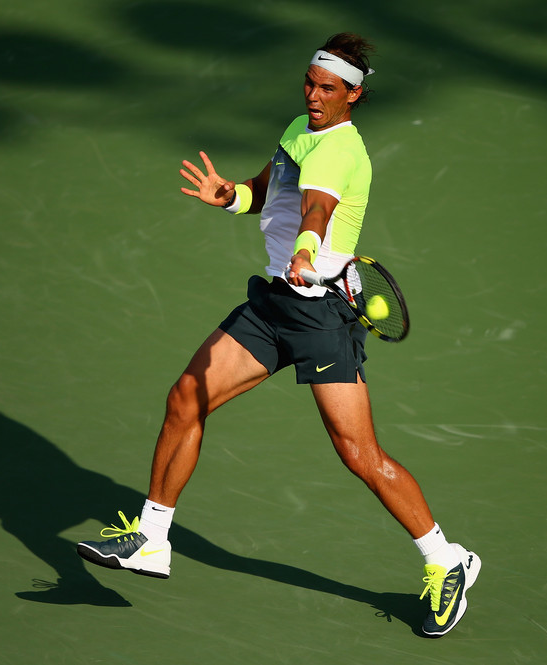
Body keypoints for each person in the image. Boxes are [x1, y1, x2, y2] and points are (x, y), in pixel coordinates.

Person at [77, 33, 481, 637]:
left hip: (321, 317)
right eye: (310, 84)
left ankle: (447, 561)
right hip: (271, 306)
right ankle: (152, 540)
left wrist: (309, 246)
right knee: (186, 397)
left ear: (354, 93)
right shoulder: (298, 128)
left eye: (328, 89)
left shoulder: (343, 153)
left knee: (359, 455)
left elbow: (316, 208)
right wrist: (232, 197)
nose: (315, 96)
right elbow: (270, 190)